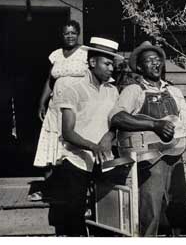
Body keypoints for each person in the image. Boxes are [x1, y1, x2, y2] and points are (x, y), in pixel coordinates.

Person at [109, 41, 186, 236]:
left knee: (179, 210)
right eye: (150, 61)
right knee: (150, 212)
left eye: (158, 61)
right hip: (148, 159)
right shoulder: (134, 90)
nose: (156, 64)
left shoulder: (174, 92)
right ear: (140, 67)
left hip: (174, 157)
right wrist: (154, 125)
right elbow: (117, 117)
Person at [47, 37, 122, 236]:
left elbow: (116, 122)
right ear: (92, 62)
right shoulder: (73, 90)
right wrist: (93, 146)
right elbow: (68, 132)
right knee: (74, 215)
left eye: (112, 64)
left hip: (104, 160)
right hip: (77, 160)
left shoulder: (113, 91)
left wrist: (109, 136)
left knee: (108, 214)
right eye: (107, 64)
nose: (111, 68)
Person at [31, 20, 88, 201]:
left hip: (77, 108)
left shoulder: (85, 53)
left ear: (78, 34)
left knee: (72, 148)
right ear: (61, 35)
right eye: (66, 33)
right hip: (55, 108)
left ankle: (78, 193)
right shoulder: (55, 55)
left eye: (73, 33)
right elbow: (50, 81)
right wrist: (42, 102)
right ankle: (52, 191)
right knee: (52, 150)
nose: (69, 36)